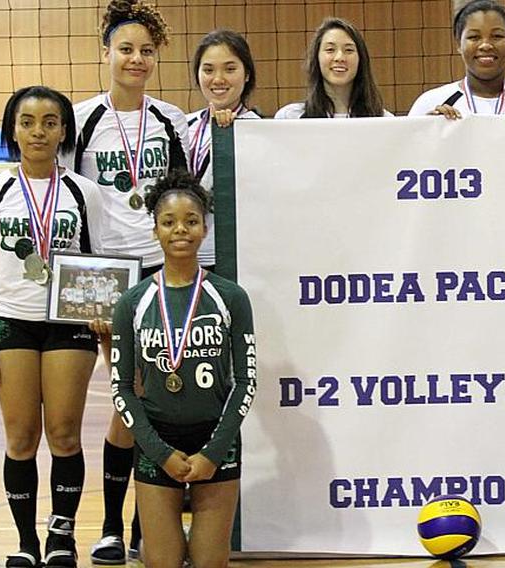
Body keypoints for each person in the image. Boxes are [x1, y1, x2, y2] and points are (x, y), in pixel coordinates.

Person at [60, 0, 189, 562]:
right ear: (105, 53)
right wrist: (82, 287)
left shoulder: (170, 120)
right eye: (126, 49)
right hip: (107, 274)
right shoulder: (81, 119)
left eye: (146, 51)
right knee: (126, 402)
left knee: (150, 400)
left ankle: (145, 525)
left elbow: (185, 197)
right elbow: (65, 204)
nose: (136, 59)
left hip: (161, 268)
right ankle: (113, 526)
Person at [0, 86, 104, 568]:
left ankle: (62, 538)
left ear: (64, 130)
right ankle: (26, 542)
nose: (39, 131)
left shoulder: (83, 192)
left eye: (50, 121)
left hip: (69, 323)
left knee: (65, 434)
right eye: (28, 121)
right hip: (11, 322)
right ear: (13, 130)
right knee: (21, 438)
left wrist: (103, 323)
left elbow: (101, 262)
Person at [110, 169, 256, 568]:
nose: (181, 230)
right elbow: (122, 389)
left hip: (216, 441)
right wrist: (160, 452)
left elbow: (245, 382)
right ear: (155, 228)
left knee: (211, 563)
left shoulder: (230, 297)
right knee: (163, 562)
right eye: (169, 222)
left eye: (191, 221)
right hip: (158, 442)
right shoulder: (132, 302)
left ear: (205, 229)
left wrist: (213, 452)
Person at [407, 0, 505, 118]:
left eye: (497, 36)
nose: (486, 45)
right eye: (474, 37)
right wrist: (428, 131)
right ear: (458, 45)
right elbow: (410, 157)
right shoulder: (429, 104)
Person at [188, 29, 261, 270]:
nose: (218, 79)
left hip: (239, 254)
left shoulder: (258, 131)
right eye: (208, 70)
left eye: (230, 69)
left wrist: (228, 136)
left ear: (247, 74)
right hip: (186, 252)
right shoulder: (183, 126)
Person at [274, 18, 392, 118]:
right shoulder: (290, 117)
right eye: (330, 50)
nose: (339, 57)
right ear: (317, 58)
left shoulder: (384, 120)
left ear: (361, 59)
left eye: (349, 50)